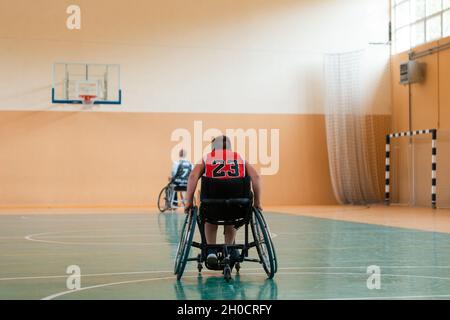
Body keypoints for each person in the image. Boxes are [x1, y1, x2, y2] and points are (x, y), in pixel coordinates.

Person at [185, 135, 262, 267]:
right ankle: (230, 250)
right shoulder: (240, 158)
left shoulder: (207, 157)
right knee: (231, 215)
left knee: (209, 214)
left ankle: (211, 251)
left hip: (212, 205)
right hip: (237, 206)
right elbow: (255, 177)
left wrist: (188, 202)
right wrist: (258, 202)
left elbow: (192, 176)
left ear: (214, 146)